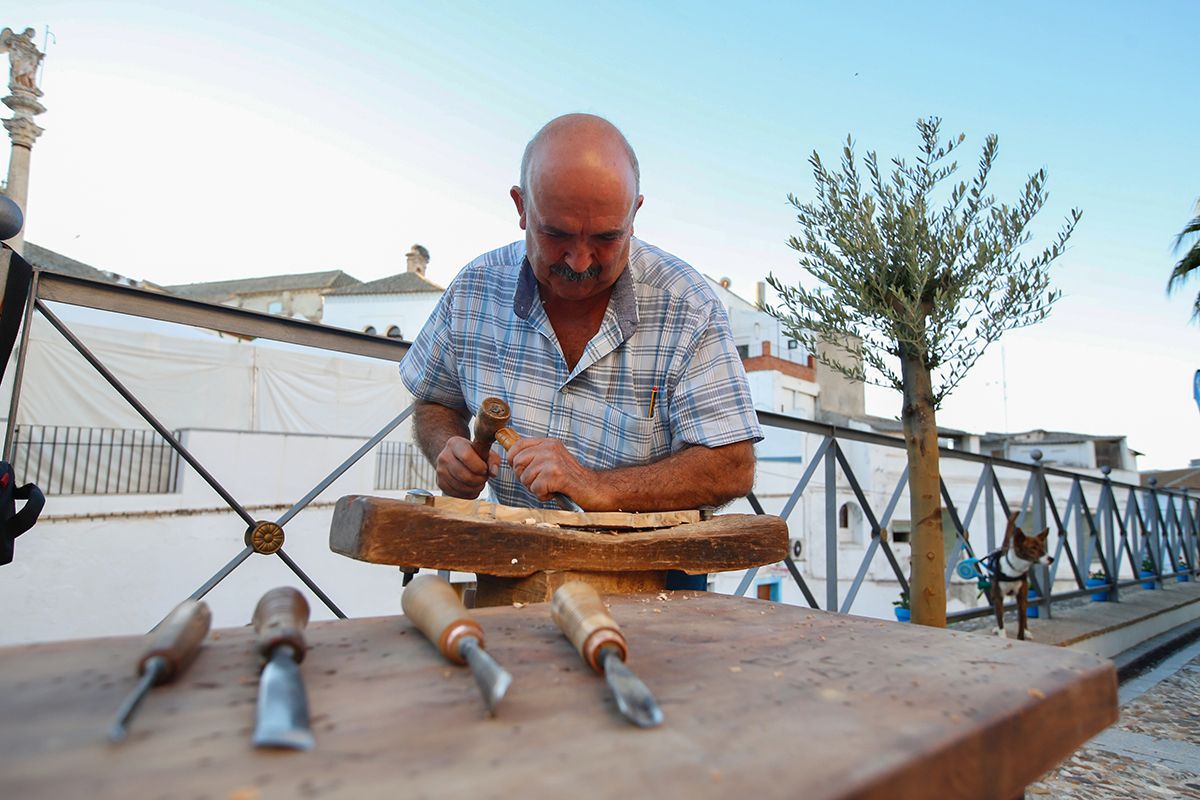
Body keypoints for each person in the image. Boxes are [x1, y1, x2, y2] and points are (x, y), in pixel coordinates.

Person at [400, 113, 760, 516]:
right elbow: (435, 400)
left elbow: (732, 467)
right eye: (556, 234)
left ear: (634, 215)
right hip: (512, 558)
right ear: (522, 208)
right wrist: (446, 449)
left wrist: (597, 487)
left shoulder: (687, 305)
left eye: (607, 237)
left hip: (649, 569)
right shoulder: (474, 289)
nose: (579, 260)